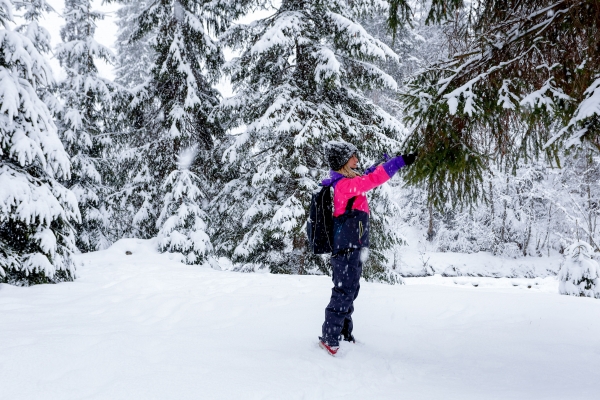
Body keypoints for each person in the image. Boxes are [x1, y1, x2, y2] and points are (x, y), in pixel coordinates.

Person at [318, 141, 416, 356]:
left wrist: (385, 162)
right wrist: (398, 163)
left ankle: (344, 334)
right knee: (344, 291)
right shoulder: (343, 185)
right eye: (353, 157)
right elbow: (371, 180)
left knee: (351, 290)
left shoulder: (349, 180)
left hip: (354, 245)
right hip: (346, 247)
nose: (357, 160)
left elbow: (368, 174)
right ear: (343, 161)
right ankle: (329, 337)